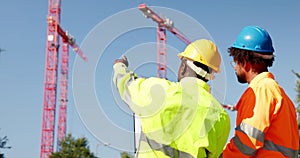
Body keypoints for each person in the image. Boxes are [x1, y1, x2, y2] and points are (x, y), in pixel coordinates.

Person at [113, 39, 230, 158]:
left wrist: (120, 65)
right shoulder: (221, 116)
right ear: (211, 75)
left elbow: (126, 84)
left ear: (184, 66)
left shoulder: (159, 91)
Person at [221, 26, 299, 158]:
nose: (235, 68)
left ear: (244, 61)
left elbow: (247, 142)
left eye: (235, 62)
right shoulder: (280, 94)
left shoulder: (260, 90)